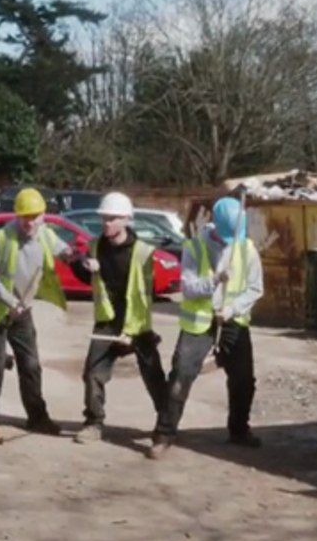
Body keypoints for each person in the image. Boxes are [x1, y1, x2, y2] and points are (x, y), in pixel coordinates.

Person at [0, 187, 92, 444]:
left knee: (31, 365)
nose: (30, 222)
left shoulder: (46, 236)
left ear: (43, 216)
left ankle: (37, 418)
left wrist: (80, 257)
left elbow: (67, 254)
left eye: (35, 216)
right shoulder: (1, 240)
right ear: (17, 216)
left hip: (22, 311)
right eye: (25, 216)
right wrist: (9, 301)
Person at [149, 195, 264, 459]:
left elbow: (255, 288)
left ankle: (239, 430)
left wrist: (232, 308)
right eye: (227, 236)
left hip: (232, 320)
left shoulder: (246, 248)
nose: (230, 242)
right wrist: (213, 281)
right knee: (180, 377)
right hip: (199, 322)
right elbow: (188, 289)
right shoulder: (195, 246)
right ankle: (164, 434)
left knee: (243, 380)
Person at [72, 192, 169, 445]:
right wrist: (80, 266)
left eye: (113, 219)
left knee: (154, 375)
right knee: (93, 373)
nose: (107, 224)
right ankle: (93, 422)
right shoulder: (95, 247)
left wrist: (132, 332)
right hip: (107, 320)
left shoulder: (143, 252)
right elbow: (89, 280)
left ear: (127, 220)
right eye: (104, 218)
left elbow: (145, 296)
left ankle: (166, 426)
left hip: (136, 323)